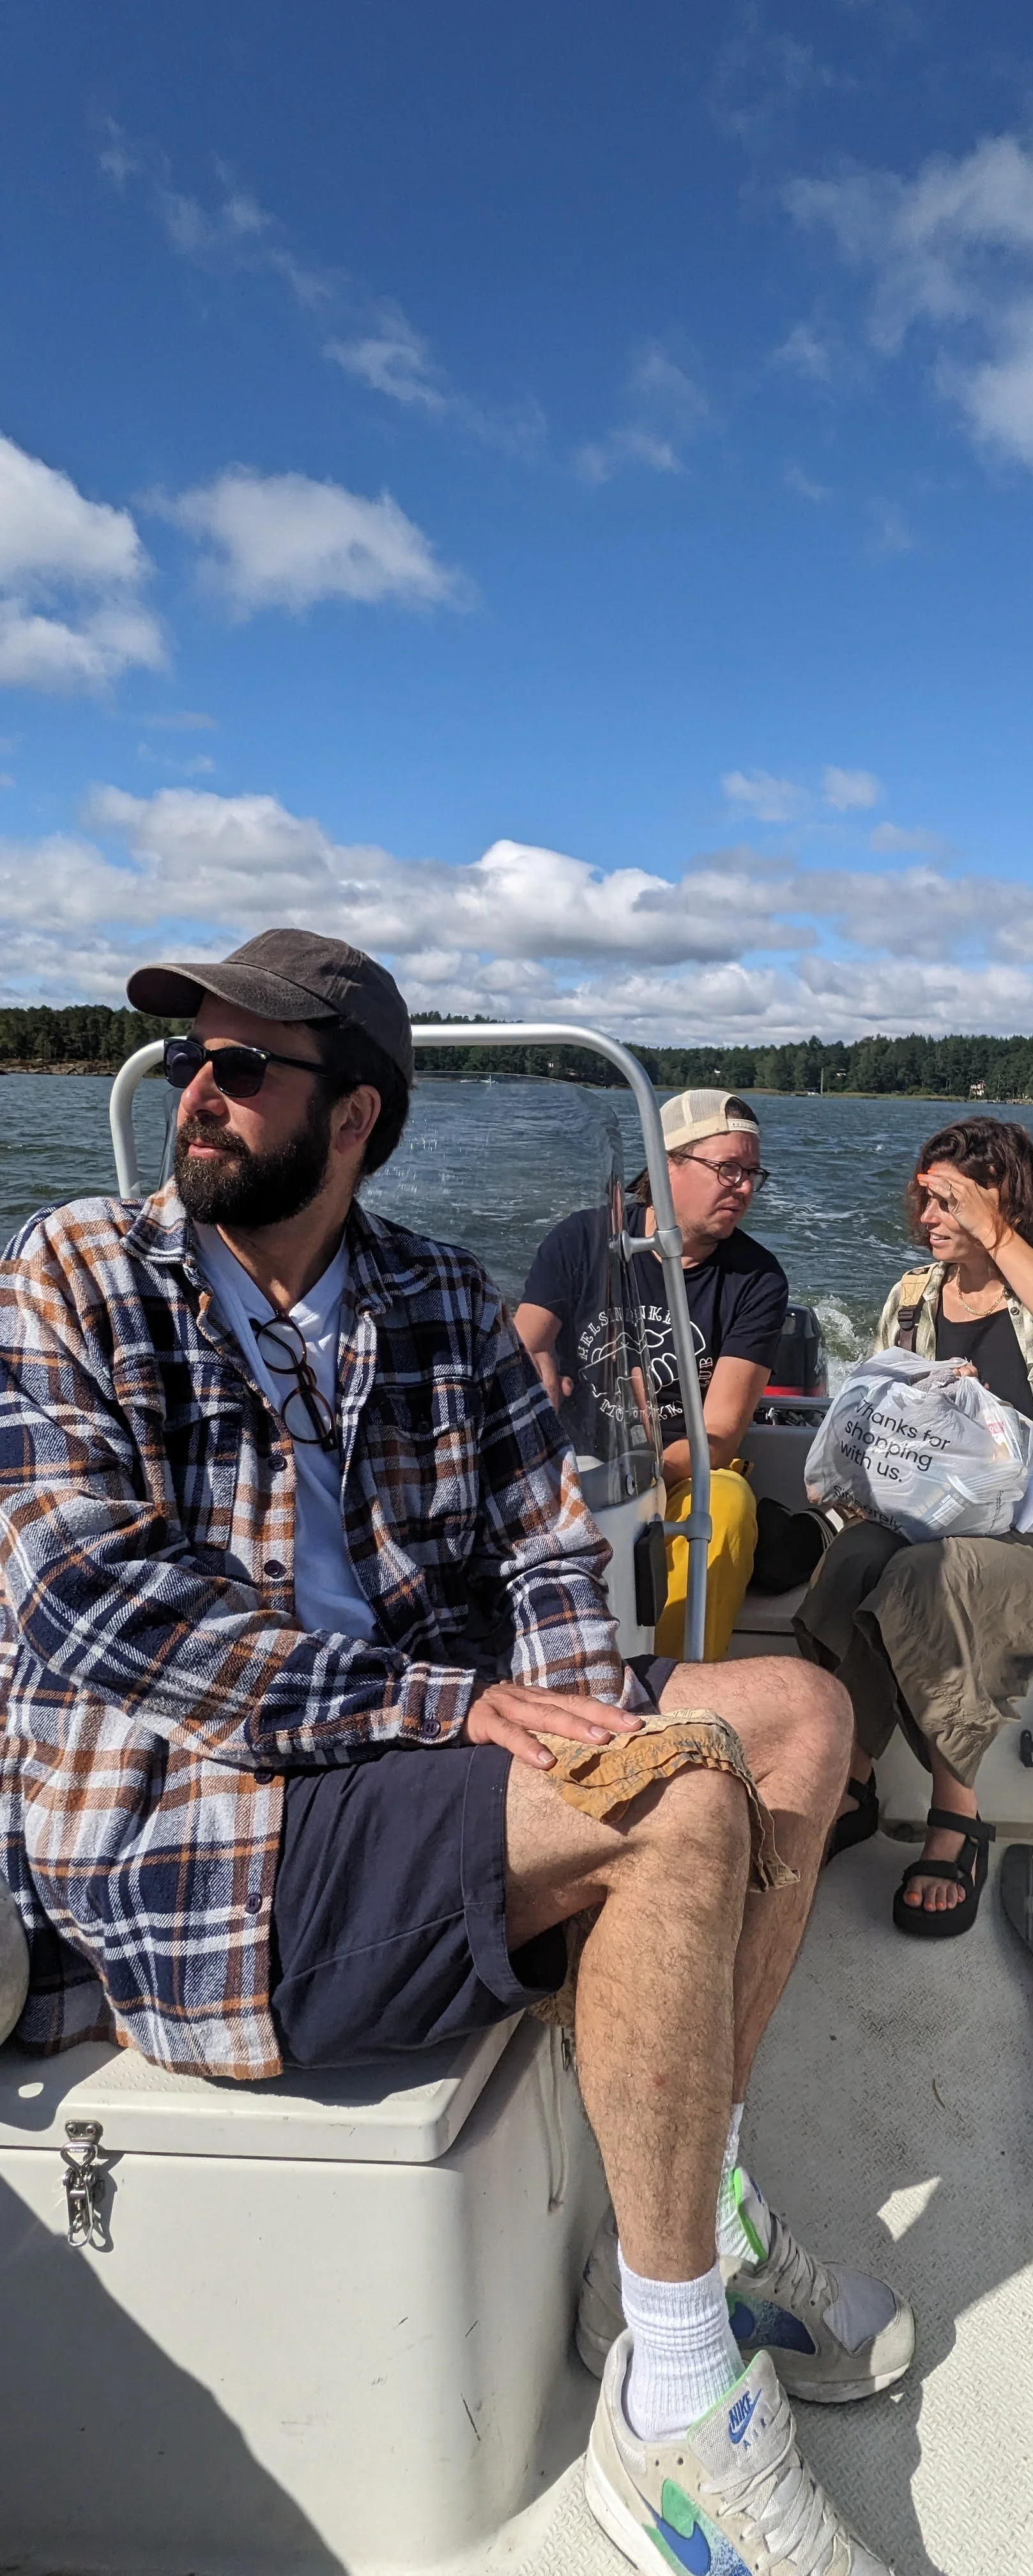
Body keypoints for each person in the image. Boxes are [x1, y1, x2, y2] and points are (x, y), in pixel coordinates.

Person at [0, 934, 907, 2576]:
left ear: (352, 1119)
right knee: (685, 1810)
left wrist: (591, 1725)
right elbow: (88, 1608)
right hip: (198, 1828)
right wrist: (460, 1714)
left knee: (797, 1717)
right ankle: (675, 2418)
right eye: (194, 1062)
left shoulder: (436, 1298)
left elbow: (554, 1553)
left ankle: (680, 2228)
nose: (195, 1096)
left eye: (238, 1069)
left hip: (417, 1783)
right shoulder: (73, 1270)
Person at [795, 1116, 1033, 1940]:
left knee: (920, 1576)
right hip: (927, 1527)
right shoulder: (911, 1298)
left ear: (998, 1199)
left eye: (948, 1202)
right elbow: (875, 1416)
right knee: (855, 1558)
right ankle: (853, 1781)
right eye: (924, 1200)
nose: (929, 1218)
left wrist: (996, 1231)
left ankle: (957, 1812)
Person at [516, 1091, 788, 1660]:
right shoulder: (585, 1239)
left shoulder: (756, 1279)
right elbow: (524, 1346)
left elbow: (720, 1435)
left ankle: (673, 1691)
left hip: (680, 1473)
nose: (741, 1187)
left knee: (730, 1503)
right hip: (571, 1468)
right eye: (726, 1168)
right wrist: (528, 1371)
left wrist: (638, 1469)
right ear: (666, 1164)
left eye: (751, 1173)